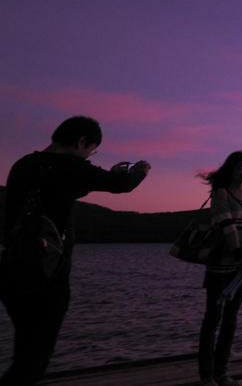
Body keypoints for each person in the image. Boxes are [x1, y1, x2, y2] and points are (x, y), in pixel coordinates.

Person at [0, 116, 151, 385]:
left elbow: (58, 191)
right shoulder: (70, 166)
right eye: (91, 149)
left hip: (11, 269)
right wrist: (139, 171)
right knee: (32, 363)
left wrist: (106, 173)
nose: (89, 156)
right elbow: (121, 186)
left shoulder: (23, 165)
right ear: (81, 141)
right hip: (48, 274)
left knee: (24, 350)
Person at [197, 151, 242, 386]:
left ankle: (221, 373)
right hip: (220, 265)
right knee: (212, 318)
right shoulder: (221, 193)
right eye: (240, 167)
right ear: (231, 169)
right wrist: (239, 253)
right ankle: (207, 375)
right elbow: (226, 225)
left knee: (230, 320)